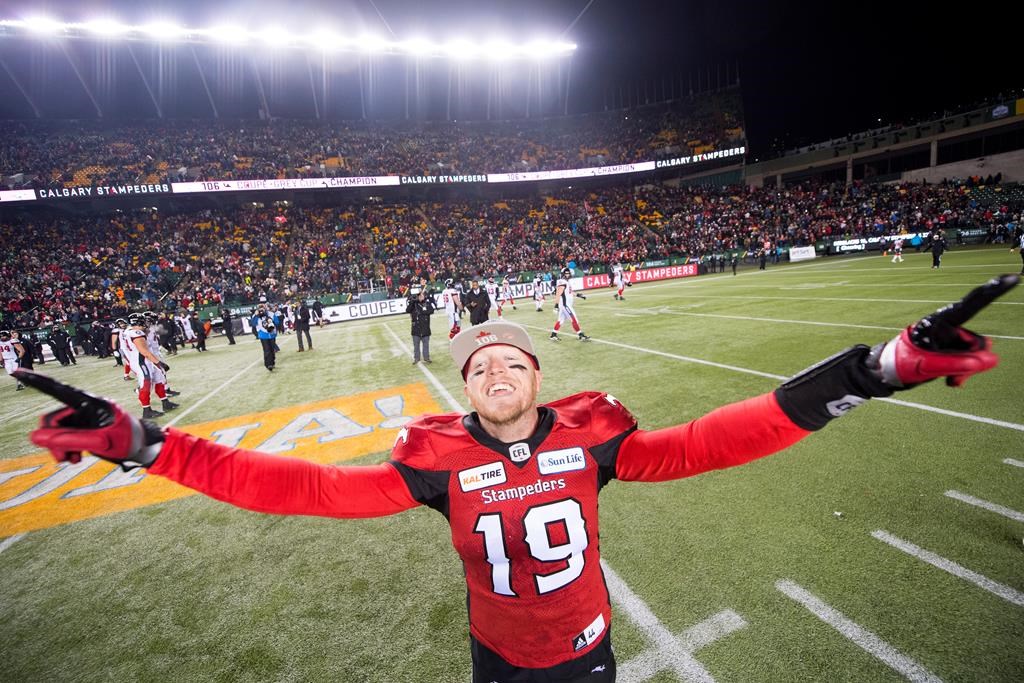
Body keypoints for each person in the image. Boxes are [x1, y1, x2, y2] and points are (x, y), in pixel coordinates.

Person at [22, 275, 1019, 683]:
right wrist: (150, 445)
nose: (496, 369)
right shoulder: (434, 463)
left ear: (540, 377)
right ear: (465, 389)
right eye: (479, 365)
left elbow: (718, 436)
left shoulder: (594, 440)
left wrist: (869, 371)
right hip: (497, 654)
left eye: (513, 361)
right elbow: (298, 487)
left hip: (586, 645)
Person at [124, 313, 176, 418]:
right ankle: (146, 410)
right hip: (142, 362)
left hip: (145, 360)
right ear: (138, 322)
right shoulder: (136, 333)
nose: (145, 323)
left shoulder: (129, 331)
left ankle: (165, 402)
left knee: (159, 379)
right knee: (146, 384)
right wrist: (159, 363)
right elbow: (144, 351)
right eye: (143, 321)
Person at [550, 267, 590, 342]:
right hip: (565, 305)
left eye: (569, 273)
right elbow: (558, 293)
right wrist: (556, 305)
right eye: (567, 273)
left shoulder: (566, 282)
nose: (568, 274)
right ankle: (580, 335)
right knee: (574, 319)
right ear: (563, 274)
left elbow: (570, 292)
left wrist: (578, 295)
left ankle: (553, 335)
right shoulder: (562, 282)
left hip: (565, 305)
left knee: (560, 320)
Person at [406, 286, 436, 364]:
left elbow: (431, 310)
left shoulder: (427, 303)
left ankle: (426, 358)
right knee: (416, 345)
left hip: (425, 327)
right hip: (416, 328)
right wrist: (413, 301)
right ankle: (416, 358)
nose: (421, 296)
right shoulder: (413, 304)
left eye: (421, 295)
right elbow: (408, 310)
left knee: (426, 344)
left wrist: (422, 310)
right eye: (419, 295)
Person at [252, 306, 279, 371]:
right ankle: (268, 364)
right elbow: (253, 324)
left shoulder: (271, 314)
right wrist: (256, 316)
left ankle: (272, 362)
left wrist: (271, 322)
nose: (262, 310)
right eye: (260, 309)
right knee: (267, 350)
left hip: (272, 334)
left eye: (263, 308)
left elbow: (277, 322)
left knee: (272, 349)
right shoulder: (256, 315)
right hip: (263, 335)